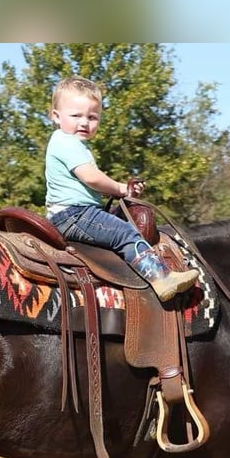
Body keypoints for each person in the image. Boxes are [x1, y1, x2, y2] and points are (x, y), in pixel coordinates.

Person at [44, 75, 199, 302]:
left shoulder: (69, 143)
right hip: (74, 214)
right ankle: (161, 278)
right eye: (76, 115)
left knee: (122, 219)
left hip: (75, 212)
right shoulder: (66, 142)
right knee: (125, 233)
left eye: (92, 117)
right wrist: (120, 189)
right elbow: (91, 178)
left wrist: (125, 194)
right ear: (56, 116)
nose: (84, 123)